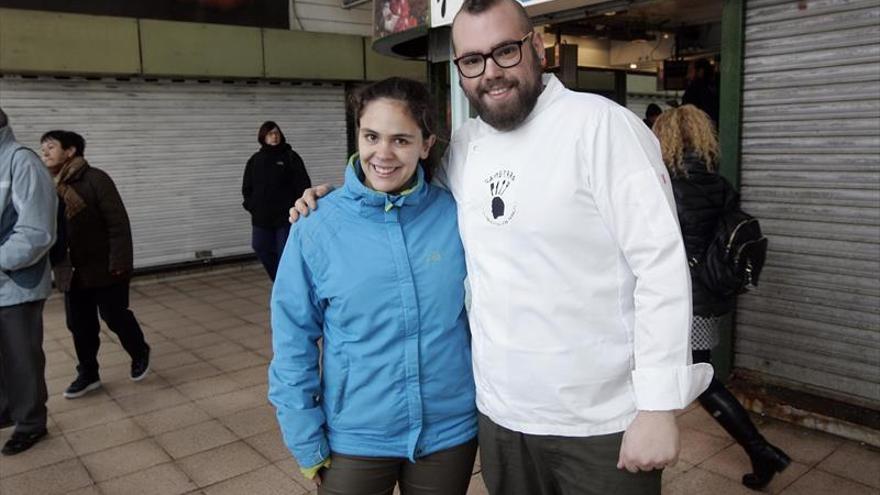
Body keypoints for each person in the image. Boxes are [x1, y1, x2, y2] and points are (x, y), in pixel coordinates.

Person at [293, 2, 713, 493]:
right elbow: (398, 186)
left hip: (599, 423)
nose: (490, 72)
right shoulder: (465, 148)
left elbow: (661, 267)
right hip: (500, 420)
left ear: (537, 47)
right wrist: (335, 200)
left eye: (505, 52)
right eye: (472, 60)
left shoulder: (602, 127)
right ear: (460, 70)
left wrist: (659, 406)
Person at [268, 77, 478, 494]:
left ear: (426, 143)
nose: (382, 154)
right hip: (355, 435)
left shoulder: (457, 216)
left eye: (401, 140)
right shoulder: (317, 224)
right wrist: (305, 438)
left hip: (448, 433)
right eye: (371, 136)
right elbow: (293, 339)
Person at [653, 105, 791, 490]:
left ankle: (760, 449)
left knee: (702, 380)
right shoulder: (720, 184)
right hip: (711, 297)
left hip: (683, 300)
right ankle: (760, 450)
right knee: (700, 375)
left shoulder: (664, 186)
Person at [39, 130, 150, 399]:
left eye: (51, 147)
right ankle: (88, 374)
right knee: (79, 324)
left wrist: (120, 262)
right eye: (42, 147)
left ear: (71, 151)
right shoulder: (47, 185)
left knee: (114, 316)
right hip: (71, 270)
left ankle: (139, 352)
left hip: (106, 266)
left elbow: (118, 224)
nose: (44, 152)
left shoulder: (96, 179)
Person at [0, 107, 54, 455]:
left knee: (21, 357)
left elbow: (37, 232)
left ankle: (32, 422)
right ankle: (6, 410)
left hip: (15, 284)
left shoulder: (21, 161)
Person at [242, 121, 311, 281]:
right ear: (263, 137)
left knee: (286, 254)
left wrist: (298, 207)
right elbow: (247, 187)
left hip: (285, 218)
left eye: (276, 133)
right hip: (261, 218)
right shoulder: (255, 160)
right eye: (270, 133)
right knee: (260, 247)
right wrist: (252, 206)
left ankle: (288, 286)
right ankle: (280, 282)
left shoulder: (290, 157)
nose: (274, 136)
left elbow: (303, 185)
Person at [682, 58, 719, 126]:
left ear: (700, 71)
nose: (687, 76)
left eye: (690, 71)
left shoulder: (695, 88)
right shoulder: (716, 87)